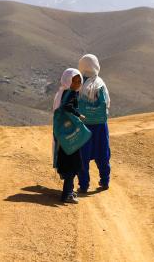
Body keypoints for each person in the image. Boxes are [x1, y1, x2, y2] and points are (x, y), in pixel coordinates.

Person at [77, 54, 111, 193]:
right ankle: (104, 181)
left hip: (83, 124)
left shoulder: (77, 82)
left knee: (83, 155)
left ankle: (84, 185)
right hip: (100, 125)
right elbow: (107, 103)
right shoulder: (100, 83)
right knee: (102, 152)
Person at [52, 68, 86, 204]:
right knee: (73, 164)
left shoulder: (61, 93)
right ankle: (67, 194)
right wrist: (79, 115)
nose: (77, 84)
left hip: (62, 134)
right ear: (67, 81)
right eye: (74, 81)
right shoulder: (70, 94)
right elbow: (67, 107)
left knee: (68, 163)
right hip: (71, 135)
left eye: (79, 81)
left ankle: (69, 192)